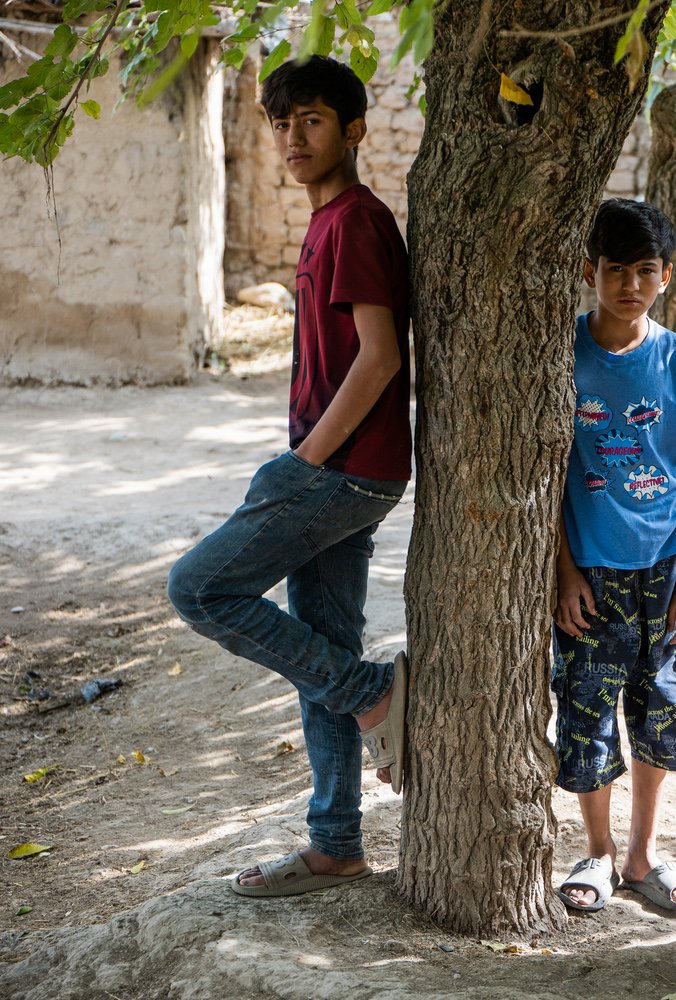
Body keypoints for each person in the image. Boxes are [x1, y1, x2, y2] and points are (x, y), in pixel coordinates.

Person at [167, 55, 412, 897]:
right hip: (340, 466)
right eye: (281, 122)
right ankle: (337, 842)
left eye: (311, 120)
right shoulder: (324, 220)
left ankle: (373, 692)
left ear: (353, 130)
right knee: (317, 648)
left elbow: (380, 358)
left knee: (198, 589)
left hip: (339, 470)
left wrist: (305, 460)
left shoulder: (356, 222)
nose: (292, 137)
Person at [550, 198, 676, 914]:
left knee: (661, 711)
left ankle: (642, 854)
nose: (629, 284)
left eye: (644, 271)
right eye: (615, 269)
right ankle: (594, 852)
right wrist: (562, 572)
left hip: (665, 569)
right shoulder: (563, 357)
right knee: (587, 713)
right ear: (589, 272)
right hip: (590, 572)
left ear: (666, 277)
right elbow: (548, 478)